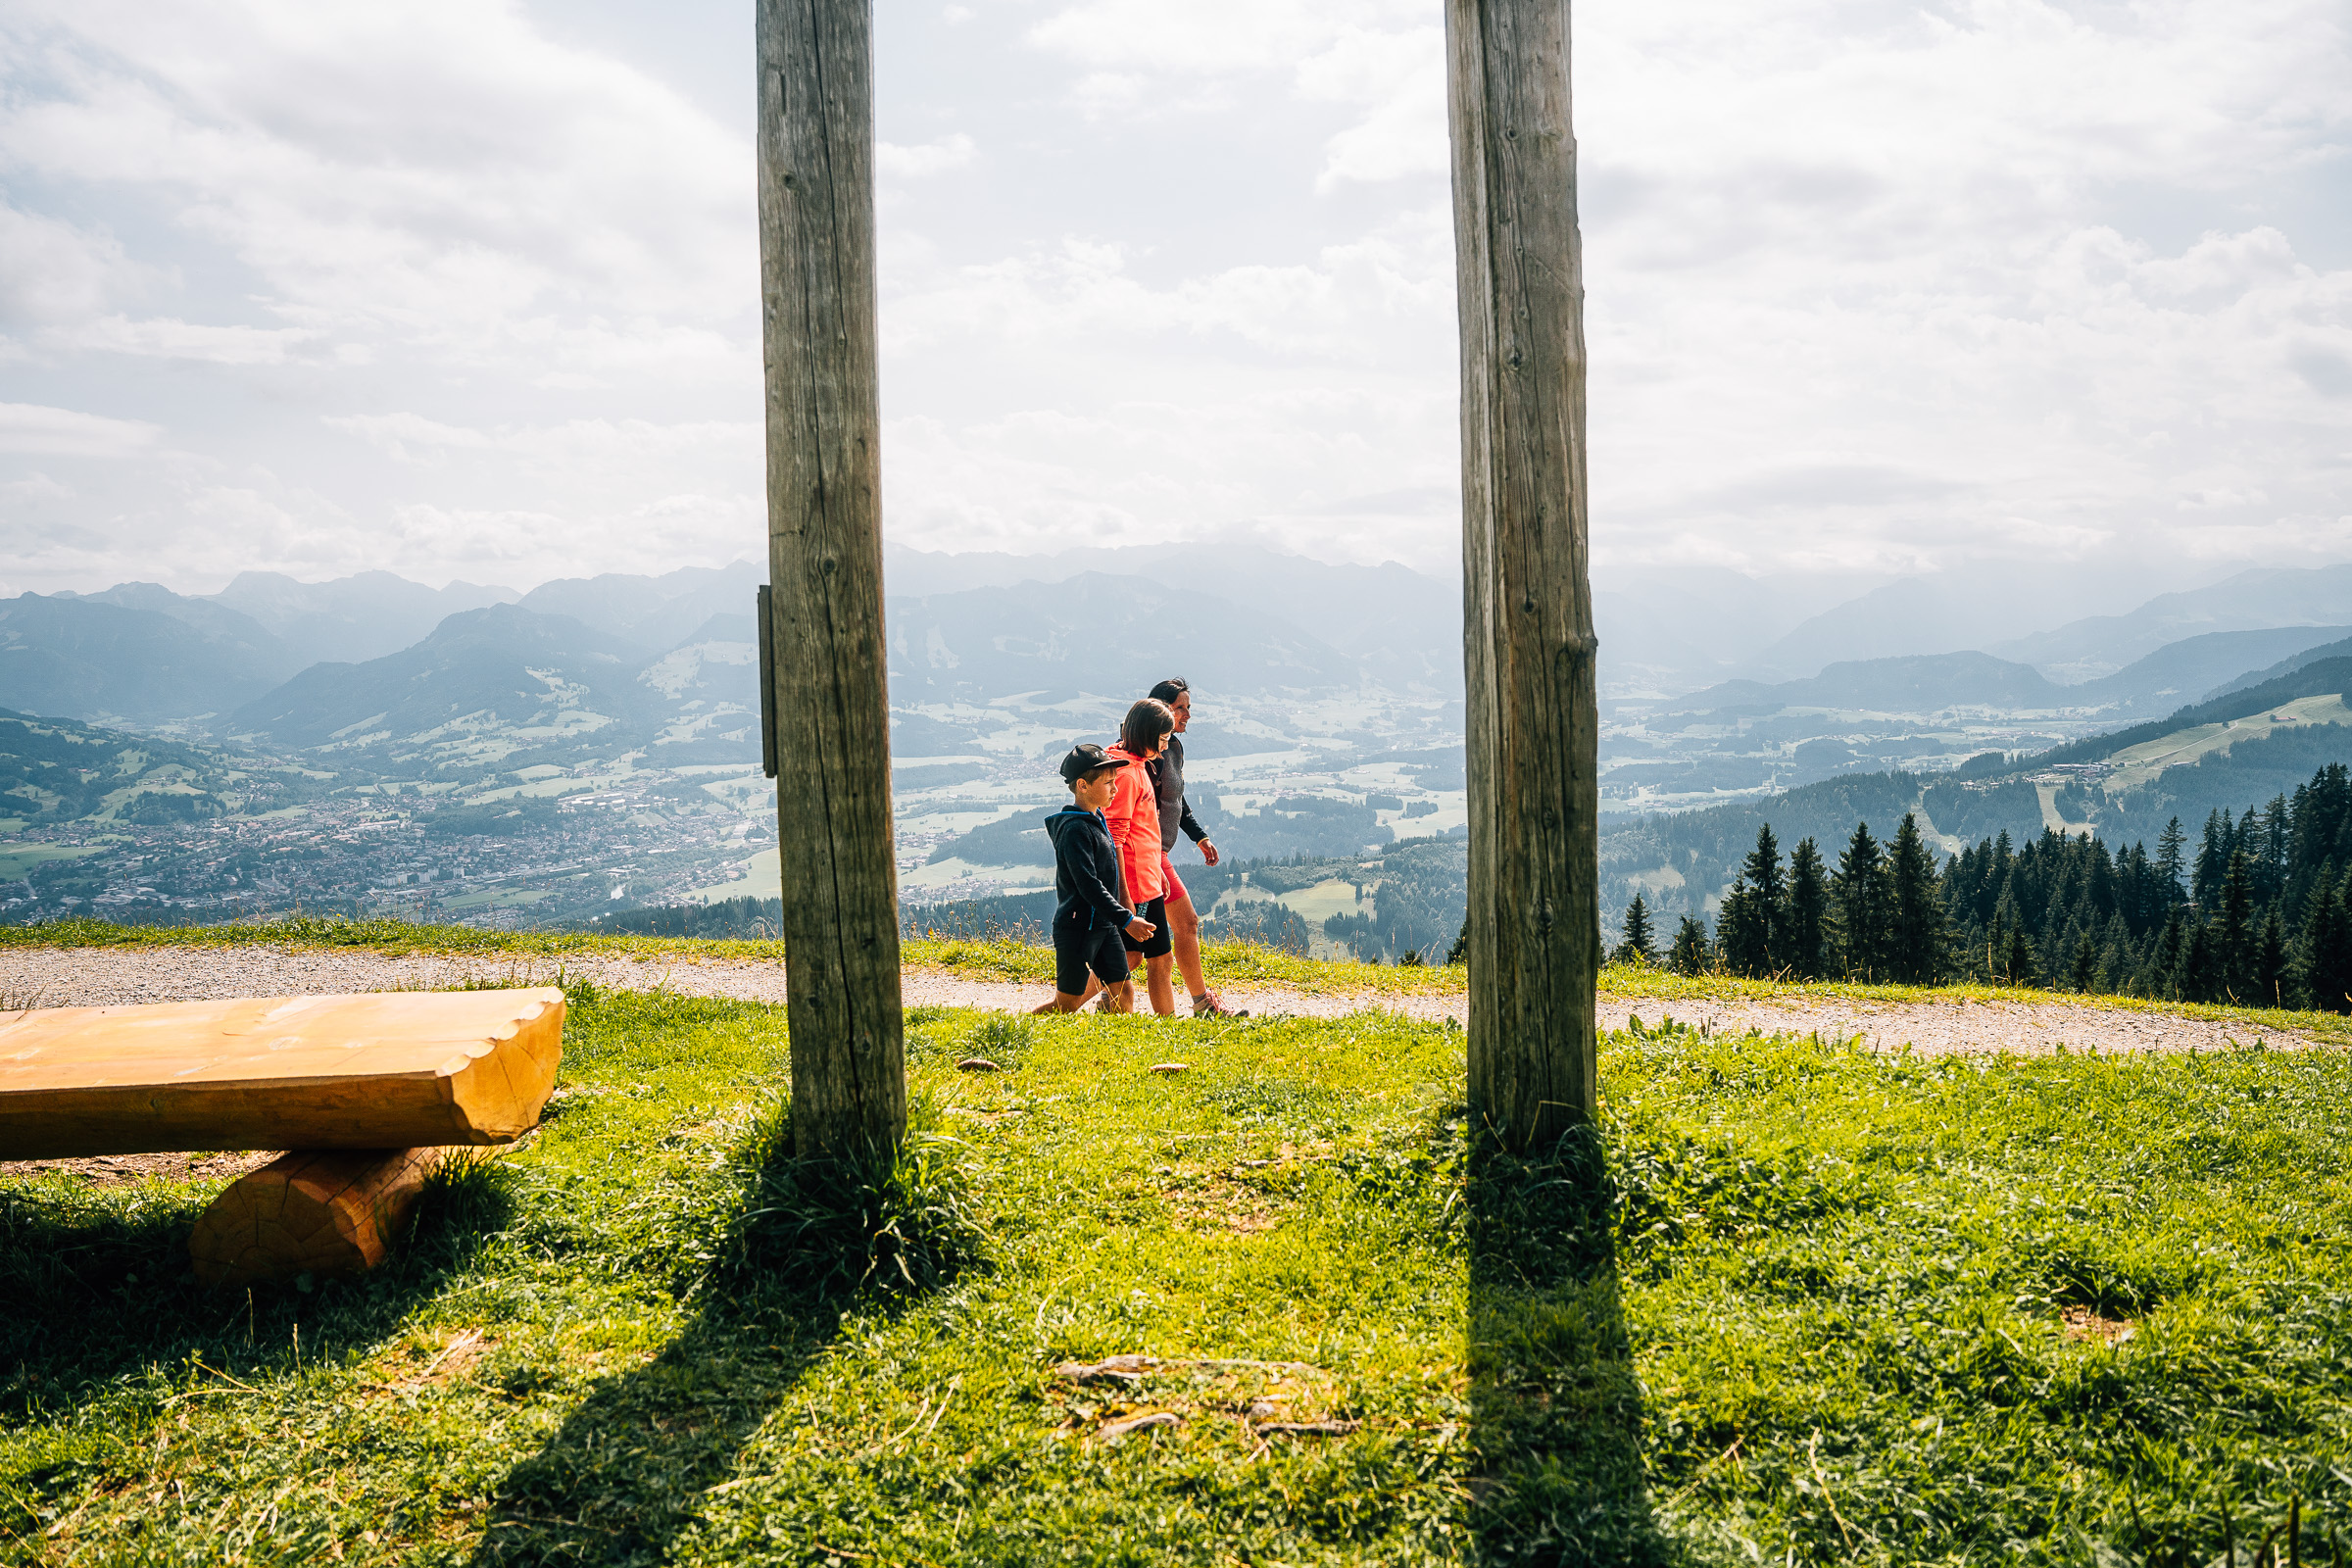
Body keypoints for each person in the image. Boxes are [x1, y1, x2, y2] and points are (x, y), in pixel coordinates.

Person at [1145, 677, 1244, 1018]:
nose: (1187, 715)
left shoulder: (1172, 748)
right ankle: (1074, 1001)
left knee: (1176, 929)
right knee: (1172, 930)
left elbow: (1174, 798)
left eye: (1188, 707)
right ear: (1161, 709)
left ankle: (1201, 1003)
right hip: (1145, 854)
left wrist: (1199, 836)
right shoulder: (1145, 753)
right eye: (1180, 708)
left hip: (1157, 853)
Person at [1034, 743, 1155, 1014]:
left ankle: (1119, 1039)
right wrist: (1127, 920)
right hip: (1077, 929)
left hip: (1103, 926)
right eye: (1108, 783)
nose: (1115, 789)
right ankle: (1019, 1031)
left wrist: (1119, 914)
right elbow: (1088, 884)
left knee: (1124, 992)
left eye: (1115, 782)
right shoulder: (1074, 829)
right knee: (1066, 1005)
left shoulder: (1096, 818)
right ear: (1082, 786)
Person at [1102, 697, 1180, 1014]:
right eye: (1162, 739)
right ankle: (1068, 999)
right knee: (1139, 958)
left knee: (1152, 958)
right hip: (1135, 885)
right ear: (1146, 734)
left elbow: (1143, 830)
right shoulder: (1125, 774)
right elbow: (1115, 837)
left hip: (1146, 878)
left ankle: (1164, 1025)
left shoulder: (1137, 765)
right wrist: (1124, 894)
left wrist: (1157, 870)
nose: (1164, 747)